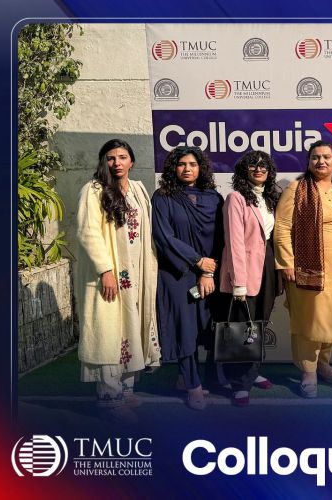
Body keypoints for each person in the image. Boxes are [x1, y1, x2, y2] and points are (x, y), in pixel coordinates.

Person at [74, 139, 161, 424]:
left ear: (131, 161)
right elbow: (88, 232)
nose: (117, 163)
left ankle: (125, 389)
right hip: (110, 275)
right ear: (104, 161)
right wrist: (105, 271)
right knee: (109, 333)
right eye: (111, 158)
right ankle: (109, 398)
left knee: (131, 328)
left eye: (122, 157)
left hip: (136, 274)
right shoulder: (93, 190)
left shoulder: (137, 189)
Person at [274, 140, 332, 398]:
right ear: (309, 161)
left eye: (326, 157)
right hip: (308, 266)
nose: (321, 161)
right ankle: (308, 371)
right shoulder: (297, 189)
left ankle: (323, 363)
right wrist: (286, 262)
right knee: (310, 320)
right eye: (315, 157)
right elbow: (282, 227)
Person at [152, 146, 222, 411]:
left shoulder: (214, 198)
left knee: (208, 328)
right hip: (177, 272)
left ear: (201, 167)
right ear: (174, 168)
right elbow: (164, 237)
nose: (187, 169)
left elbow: (222, 238)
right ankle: (193, 385)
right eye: (181, 164)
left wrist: (207, 271)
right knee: (185, 329)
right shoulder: (163, 197)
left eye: (193, 164)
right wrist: (197, 261)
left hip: (210, 273)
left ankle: (190, 378)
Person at [218, 150, 282, 406]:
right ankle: (239, 383)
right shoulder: (235, 198)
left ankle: (252, 372)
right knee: (242, 327)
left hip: (267, 266)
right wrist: (239, 282)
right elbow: (234, 242)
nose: (258, 169)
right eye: (253, 166)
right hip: (244, 270)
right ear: (244, 170)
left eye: (263, 166)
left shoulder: (269, 199)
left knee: (259, 324)